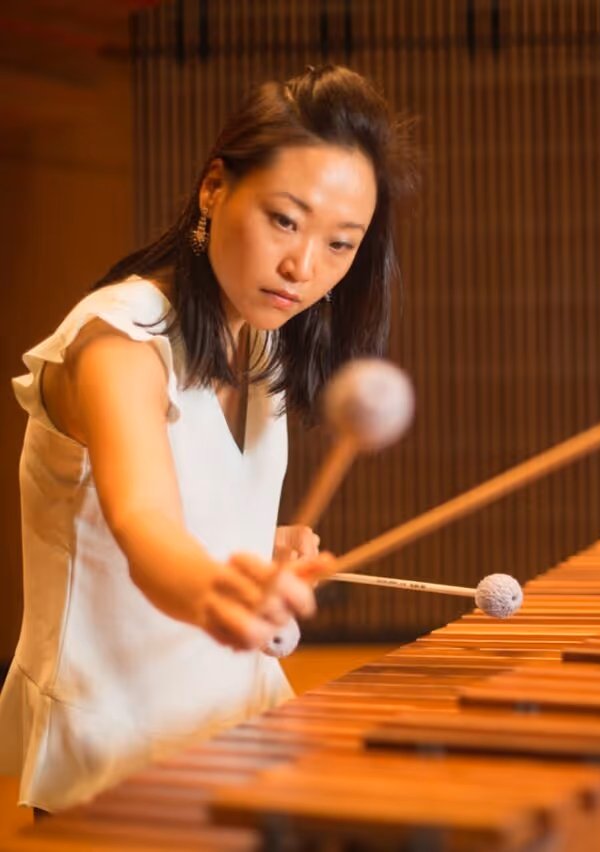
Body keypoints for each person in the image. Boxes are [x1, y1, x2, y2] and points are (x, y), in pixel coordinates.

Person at [0, 63, 418, 813]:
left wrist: (261, 547)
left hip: (240, 725)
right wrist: (213, 590)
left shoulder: (259, 345)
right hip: (118, 756)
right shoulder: (119, 342)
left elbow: (194, 506)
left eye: (340, 244)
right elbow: (144, 522)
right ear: (215, 187)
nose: (304, 266)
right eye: (284, 220)